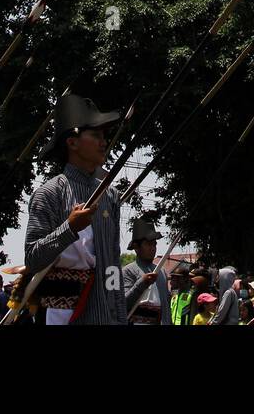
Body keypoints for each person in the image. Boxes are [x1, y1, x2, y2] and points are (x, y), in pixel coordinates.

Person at [23, 93, 125, 325]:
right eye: (96, 135)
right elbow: (33, 258)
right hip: (63, 314)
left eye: (104, 136)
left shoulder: (109, 195)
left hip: (103, 313)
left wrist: (118, 315)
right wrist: (69, 228)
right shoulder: (49, 193)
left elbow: (112, 266)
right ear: (72, 142)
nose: (104, 142)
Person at [122, 219, 169, 325]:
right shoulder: (128, 271)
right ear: (136, 248)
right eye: (148, 244)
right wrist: (142, 283)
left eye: (154, 244)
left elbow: (166, 307)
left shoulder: (161, 272)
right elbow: (122, 304)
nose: (153, 248)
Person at [168, 260, 193, 325]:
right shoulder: (174, 294)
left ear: (185, 278)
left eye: (178, 278)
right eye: (173, 278)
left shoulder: (191, 294)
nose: (174, 280)